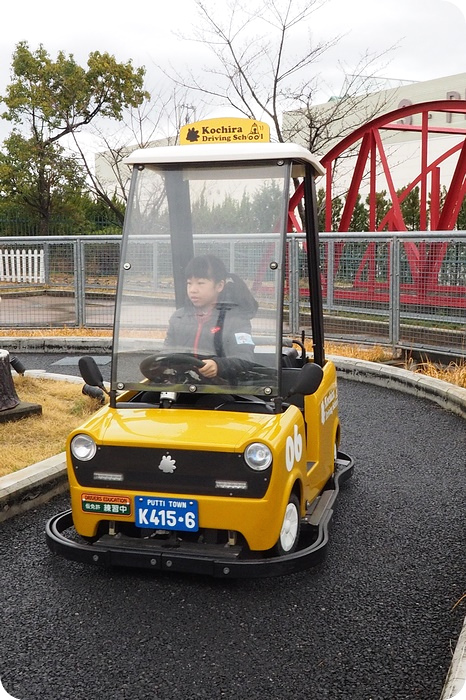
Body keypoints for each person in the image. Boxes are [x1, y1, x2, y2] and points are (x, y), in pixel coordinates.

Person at [164, 254, 257, 382]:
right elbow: (166, 353)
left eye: (200, 283)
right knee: (147, 400)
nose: (193, 290)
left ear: (219, 286)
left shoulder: (236, 319)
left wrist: (218, 365)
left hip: (219, 387)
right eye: (189, 283)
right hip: (183, 384)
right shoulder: (178, 318)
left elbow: (245, 358)